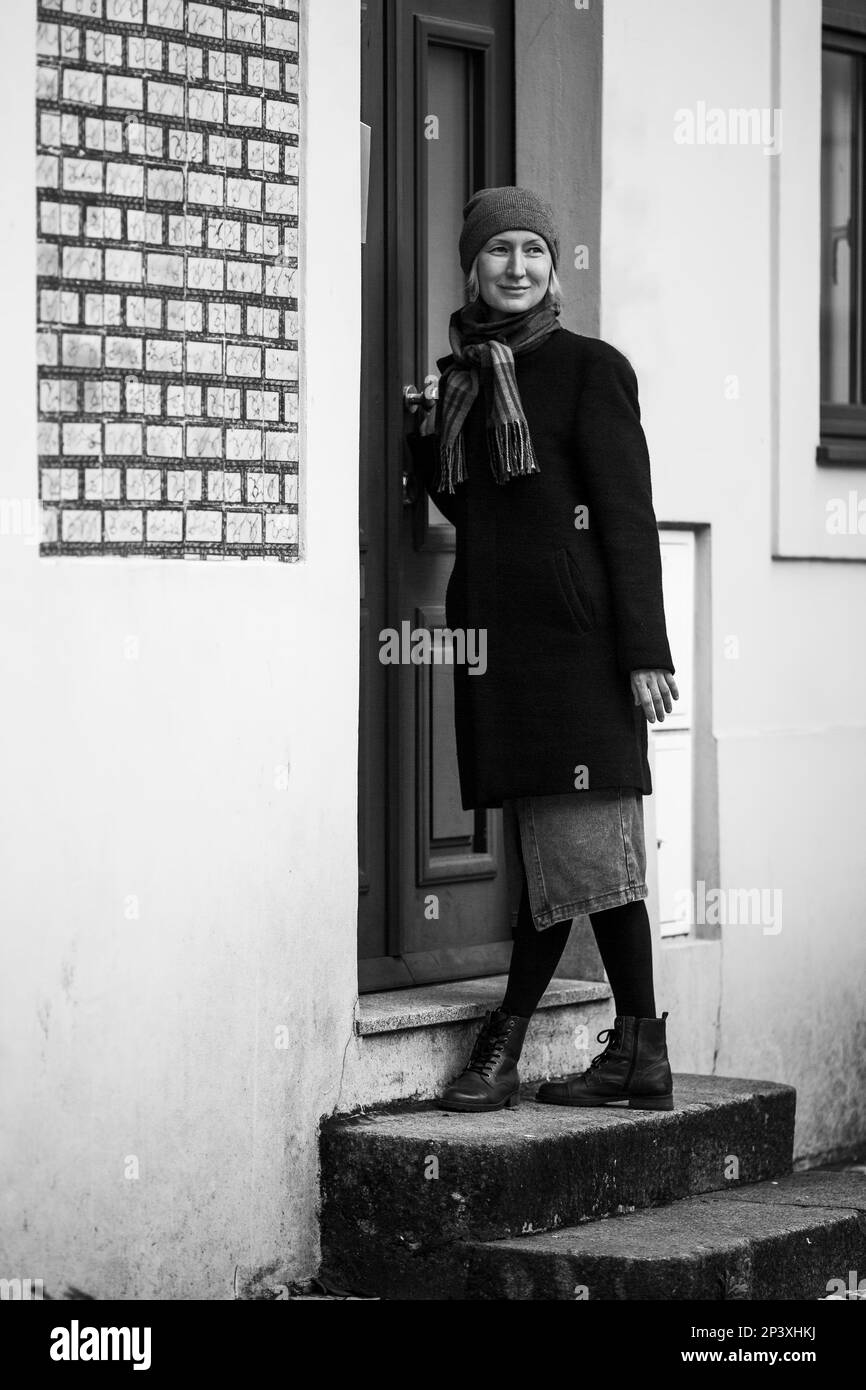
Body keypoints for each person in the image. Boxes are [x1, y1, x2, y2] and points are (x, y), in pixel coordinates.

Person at [407, 186, 679, 1115]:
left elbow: (629, 518)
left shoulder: (590, 368)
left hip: (579, 650)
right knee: (560, 854)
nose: (516, 267)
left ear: (554, 267)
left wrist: (646, 651)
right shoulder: (464, 381)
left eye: (533, 250)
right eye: (497, 252)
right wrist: (424, 438)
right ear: (471, 267)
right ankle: (623, 1058)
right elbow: (472, 509)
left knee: (586, 851)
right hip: (500, 649)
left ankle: (536, 1051)